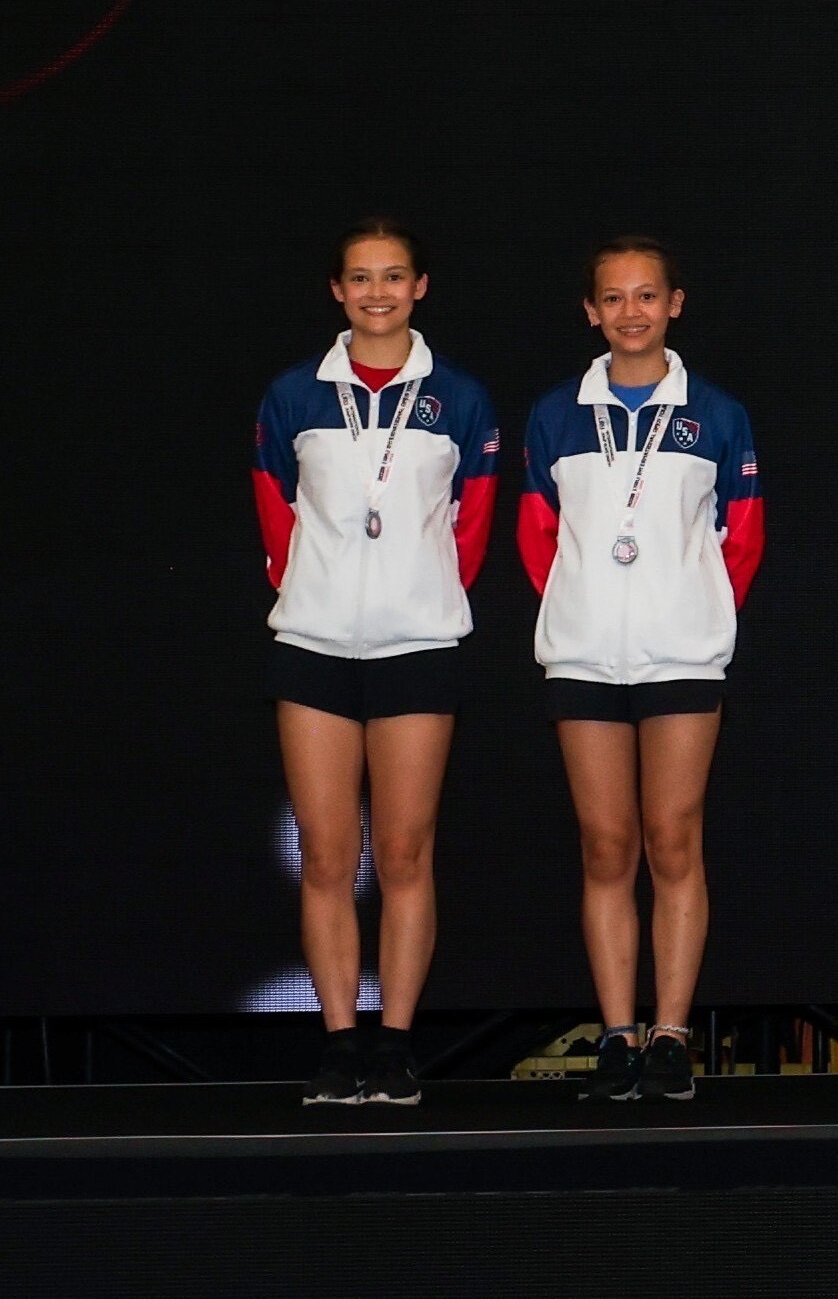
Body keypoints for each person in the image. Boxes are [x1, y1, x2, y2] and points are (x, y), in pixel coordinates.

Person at [253, 218, 498, 1105]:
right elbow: (274, 513)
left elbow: (471, 527)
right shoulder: (293, 395)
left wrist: (419, 598)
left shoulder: (460, 399)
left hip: (418, 647)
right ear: (337, 291)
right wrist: (313, 595)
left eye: (394, 277)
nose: (378, 293)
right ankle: (339, 1042)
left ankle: (395, 1043)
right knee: (328, 855)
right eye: (361, 279)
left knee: (403, 852)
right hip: (314, 646)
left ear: (420, 288)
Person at [517, 235, 763, 1100]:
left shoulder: (719, 414)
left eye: (646, 296)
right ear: (592, 312)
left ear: (675, 304)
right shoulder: (554, 415)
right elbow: (537, 541)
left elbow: (743, 538)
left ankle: (670, 1032)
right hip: (584, 656)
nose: (631, 312)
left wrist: (692, 612)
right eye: (613, 298)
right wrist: (587, 608)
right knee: (606, 845)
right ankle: (617, 1032)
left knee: (672, 839)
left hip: (683, 655)